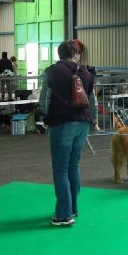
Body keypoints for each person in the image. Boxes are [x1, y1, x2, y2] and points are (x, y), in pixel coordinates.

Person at [40, 40, 97, 226]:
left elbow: (44, 100)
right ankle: (73, 208)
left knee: (61, 169)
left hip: (62, 123)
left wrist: (47, 118)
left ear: (59, 54)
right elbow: (92, 101)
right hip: (82, 124)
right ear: (76, 54)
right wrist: (93, 122)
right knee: (74, 166)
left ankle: (64, 215)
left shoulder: (52, 72)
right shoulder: (87, 74)